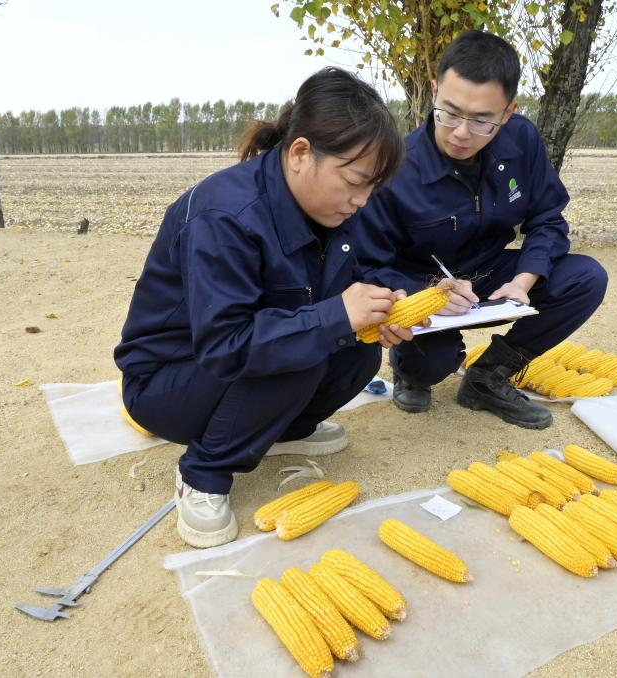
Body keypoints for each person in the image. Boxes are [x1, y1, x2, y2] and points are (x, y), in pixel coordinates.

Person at [114, 68, 407, 548]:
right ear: (300, 154)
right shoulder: (225, 216)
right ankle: (203, 472)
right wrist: (336, 317)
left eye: (373, 187)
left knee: (357, 351)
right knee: (304, 348)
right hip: (170, 378)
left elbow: (358, 276)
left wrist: (385, 306)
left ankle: (282, 431)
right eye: (355, 181)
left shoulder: (333, 205)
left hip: (236, 362)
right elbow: (225, 344)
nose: (362, 201)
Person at [351, 30, 608, 430]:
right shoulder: (396, 168)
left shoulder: (522, 140)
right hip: (425, 289)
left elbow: (548, 219)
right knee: (432, 363)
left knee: (586, 278)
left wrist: (523, 281)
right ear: (434, 91)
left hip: (491, 273)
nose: (460, 132)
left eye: (482, 120)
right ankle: (410, 371)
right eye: (450, 112)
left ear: (508, 111)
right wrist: (427, 293)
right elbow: (368, 264)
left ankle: (488, 377)